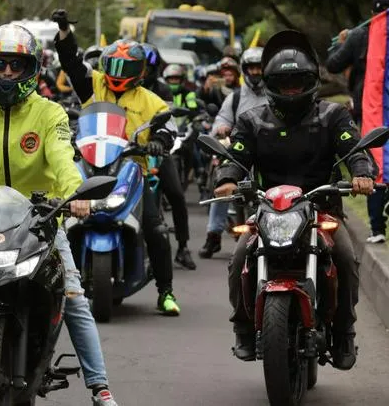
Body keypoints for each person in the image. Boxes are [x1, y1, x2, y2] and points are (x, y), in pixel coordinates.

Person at [0, 24, 118, 406]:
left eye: (16, 66)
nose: (7, 74)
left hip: (40, 221)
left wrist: (74, 196)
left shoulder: (50, 115)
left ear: (31, 69)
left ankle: (100, 388)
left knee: (75, 297)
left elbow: (65, 161)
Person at [215, 30, 376, 369]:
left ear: (310, 81)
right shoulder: (252, 119)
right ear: (271, 83)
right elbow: (236, 156)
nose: (291, 89)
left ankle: (345, 331)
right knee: (239, 259)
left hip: (322, 210)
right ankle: (243, 329)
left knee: (346, 258)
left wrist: (361, 173)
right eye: (283, 83)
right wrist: (227, 179)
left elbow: (354, 149)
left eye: (297, 82)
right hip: (267, 210)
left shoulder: (333, 116)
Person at [52, 8, 181, 315]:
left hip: (131, 168)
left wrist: (159, 142)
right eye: (113, 65)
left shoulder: (153, 101)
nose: (118, 72)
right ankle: (52, 285)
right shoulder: (94, 84)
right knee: (55, 220)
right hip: (90, 164)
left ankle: (165, 293)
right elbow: (71, 63)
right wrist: (64, 33)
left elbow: (167, 128)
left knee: (157, 231)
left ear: (140, 71)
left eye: (126, 67)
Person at [327, 0, 389, 244]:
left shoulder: (359, 35)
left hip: (370, 110)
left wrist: (342, 44)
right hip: (373, 108)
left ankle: (377, 228)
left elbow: (332, 63)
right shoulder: (363, 35)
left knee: (374, 160)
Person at [198, 47, 268, 258]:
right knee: (221, 187)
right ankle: (214, 235)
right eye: (251, 68)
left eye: (259, 68)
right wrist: (221, 128)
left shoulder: (276, 94)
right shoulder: (235, 98)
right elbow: (221, 120)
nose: (255, 72)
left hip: (270, 155)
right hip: (239, 154)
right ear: (244, 70)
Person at [144, 47, 197, 270]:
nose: (139, 72)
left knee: (176, 194)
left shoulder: (162, 89)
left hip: (157, 150)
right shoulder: (120, 89)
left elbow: (168, 121)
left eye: (145, 67)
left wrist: (159, 141)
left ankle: (183, 247)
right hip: (126, 151)